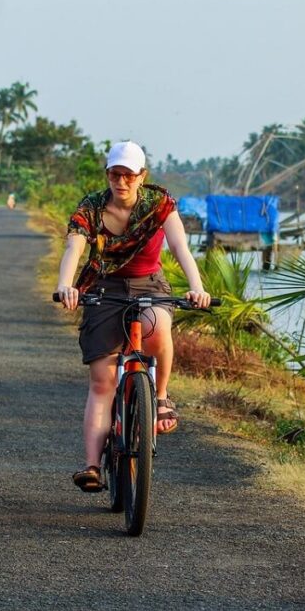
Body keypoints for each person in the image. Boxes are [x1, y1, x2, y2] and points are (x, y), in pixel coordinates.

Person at [55, 140, 211, 492]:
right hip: (105, 288)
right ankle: (93, 466)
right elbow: (74, 246)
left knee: (159, 326)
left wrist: (196, 287)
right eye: (115, 174)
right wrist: (66, 285)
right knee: (102, 382)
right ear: (107, 174)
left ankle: (160, 398)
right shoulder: (92, 208)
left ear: (142, 176)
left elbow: (180, 246)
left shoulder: (159, 204)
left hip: (149, 285)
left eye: (128, 175)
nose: (121, 182)